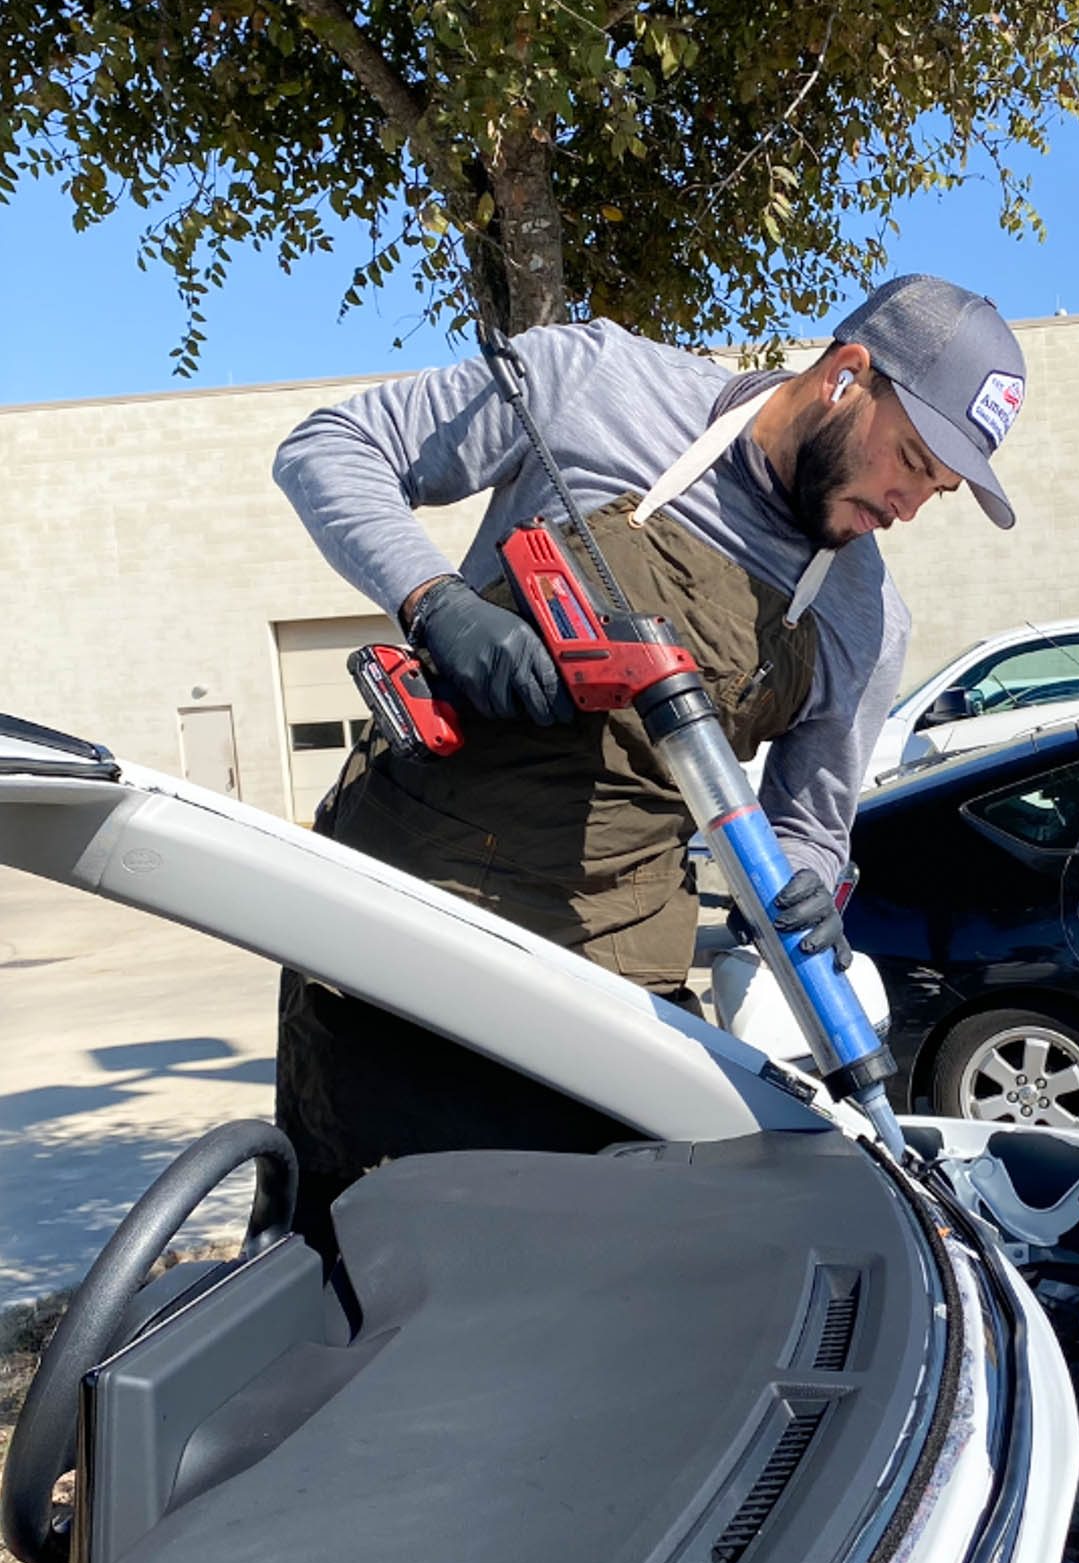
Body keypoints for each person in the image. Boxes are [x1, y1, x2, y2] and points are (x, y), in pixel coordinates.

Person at [271, 272, 1025, 1225]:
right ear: (847, 375)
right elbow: (330, 447)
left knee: (598, 1282)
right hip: (399, 927)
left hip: (607, 983)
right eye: (911, 460)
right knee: (359, 1258)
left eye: (939, 488)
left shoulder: (861, 623)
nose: (910, 504)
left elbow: (807, 826)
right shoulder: (593, 384)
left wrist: (800, 887)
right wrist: (436, 603)